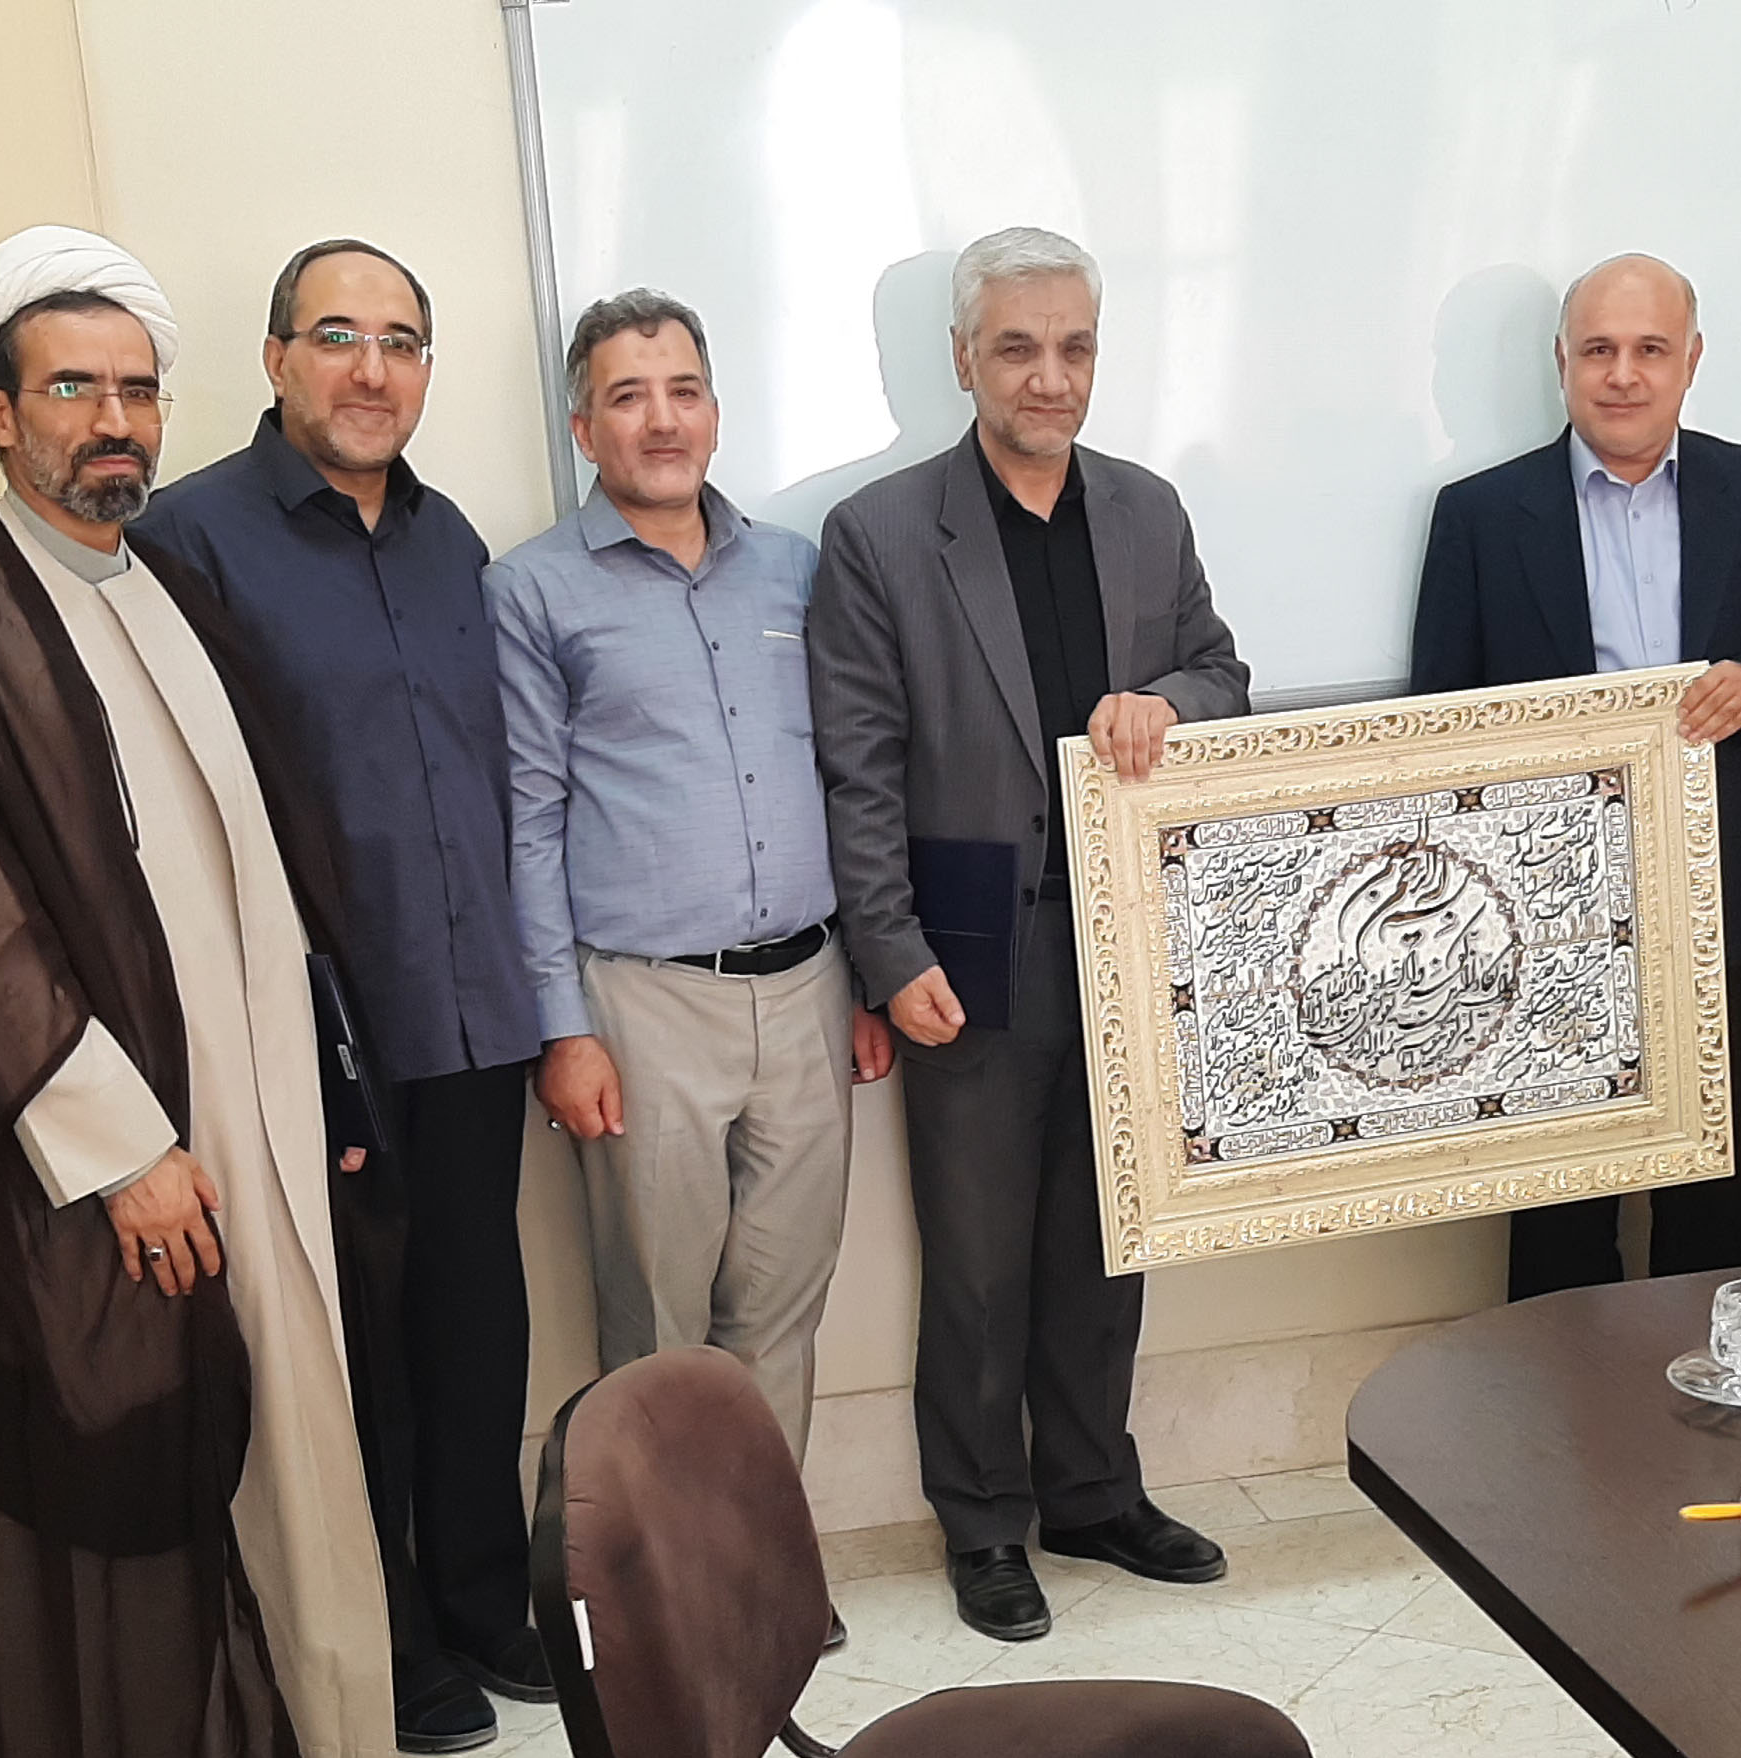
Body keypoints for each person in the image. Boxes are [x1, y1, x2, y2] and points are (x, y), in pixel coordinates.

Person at [0, 227, 399, 1758]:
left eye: (138, 389)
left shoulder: (164, 584)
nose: (114, 420)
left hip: (258, 1093)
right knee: (153, 1436)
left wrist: (321, 1079)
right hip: (116, 1131)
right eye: (73, 388)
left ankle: (311, 1732)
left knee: (284, 1409)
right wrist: (119, 1150)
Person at [809, 226, 1248, 1643]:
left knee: (1110, 1243)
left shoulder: (1148, 511)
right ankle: (985, 1521)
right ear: (963, 360)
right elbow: (858, 765)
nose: (1049, 377)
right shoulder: (881, 534)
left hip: (1132, 948)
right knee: (981, 1263)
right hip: (967, 949)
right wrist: (890, 952)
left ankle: (1094, 1493)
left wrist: (1170, 702)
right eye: (1017, 348)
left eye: (1074, 348)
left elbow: (1222, 671)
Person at [142, 239, 547, 1756]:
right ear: (275, 359)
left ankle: (485, 1599)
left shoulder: (453, 544)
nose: (372, 371)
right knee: (354, 1343)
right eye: (337, 336)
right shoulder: (189, 543)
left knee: (477, 1319)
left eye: (400, 342)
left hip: (472, 1007)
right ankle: (392, 1639)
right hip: (318, 1027)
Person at [1407, 252, 1741, 1296]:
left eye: (1650, 349)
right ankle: (1561, 1400)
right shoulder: (1480, 514)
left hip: (1728, 891)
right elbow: (1440, 724)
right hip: (1545, 913)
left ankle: (1709, 1396)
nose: (1623, 375)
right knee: (1563, 1205)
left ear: (1691, 361)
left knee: (1722, 1198)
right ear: (1562, 362)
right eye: (1599, 351)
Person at [491, 289, 890, 1479]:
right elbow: (527, 821)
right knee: (657, 1333)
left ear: (715, 412)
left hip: (810, 994)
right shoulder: (531, 592)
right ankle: (667, 1573)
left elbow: (850, 775)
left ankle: (759, 1565)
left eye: (683, 392)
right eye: (628, 397)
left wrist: (868, 977)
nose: (661, 421)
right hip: (644, 1008)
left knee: (782, 1315)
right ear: (584, 428)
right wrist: (563, 1030)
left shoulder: (793, 571)